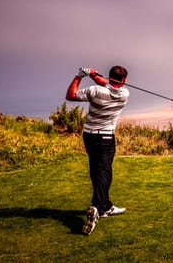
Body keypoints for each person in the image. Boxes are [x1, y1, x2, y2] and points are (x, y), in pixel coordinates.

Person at [66, 65, 130, 235]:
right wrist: (94, 75)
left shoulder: (95, 91)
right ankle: (97, 208)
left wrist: (80, 76)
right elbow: (108, 85)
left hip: (89, 136)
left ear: (110, 78)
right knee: (104, 173)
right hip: (106, 138)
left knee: (96, 170)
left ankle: (106, 206)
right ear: (123, 80)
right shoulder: (125, 94)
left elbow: (71, 95)